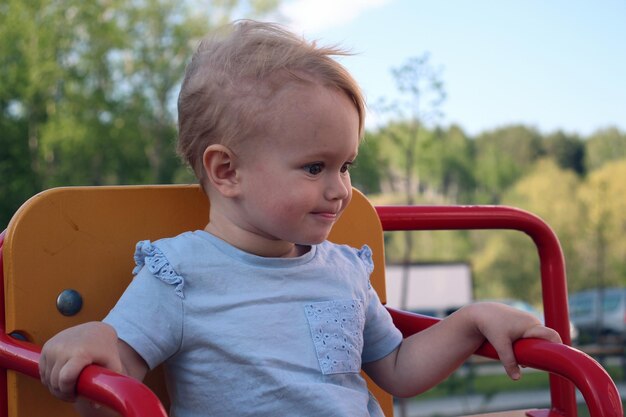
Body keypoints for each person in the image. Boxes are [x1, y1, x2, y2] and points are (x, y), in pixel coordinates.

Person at [38, 20, 561, 417]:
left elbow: (397, 369)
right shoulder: (180, 272)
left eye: (345, 165)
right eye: (315, 167)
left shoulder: (343, 270)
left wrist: (469, 323)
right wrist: (98, 344)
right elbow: (122, 371)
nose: (340, 190)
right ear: (227, 171)